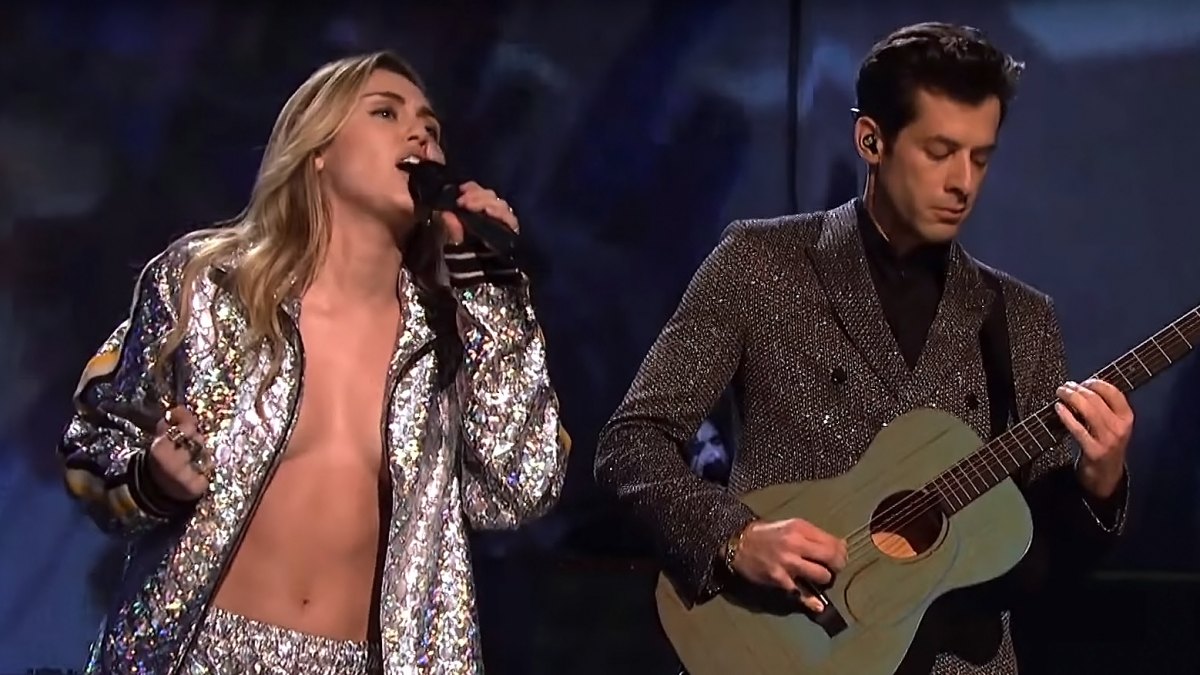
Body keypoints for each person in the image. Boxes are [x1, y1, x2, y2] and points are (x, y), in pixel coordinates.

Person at [594, 22, 1131, 675]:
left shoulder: (1020, 318)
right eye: (940, 152)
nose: (963, 182)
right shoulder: (759, 264)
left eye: (981, 157)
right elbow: (632, 443)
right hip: (782, 646)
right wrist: (734, 537)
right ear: (871, 140)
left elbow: (1045, 567)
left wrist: (1098, 484)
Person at [58, 50, 570, 674]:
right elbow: (95, 435)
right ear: (319, 149)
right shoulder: (210, 285)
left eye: (431, 128)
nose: (420, 136)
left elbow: (519, 490)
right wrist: (151, 482)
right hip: (195, 652)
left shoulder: (454, 335)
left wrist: (492, 287)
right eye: (386, 113)